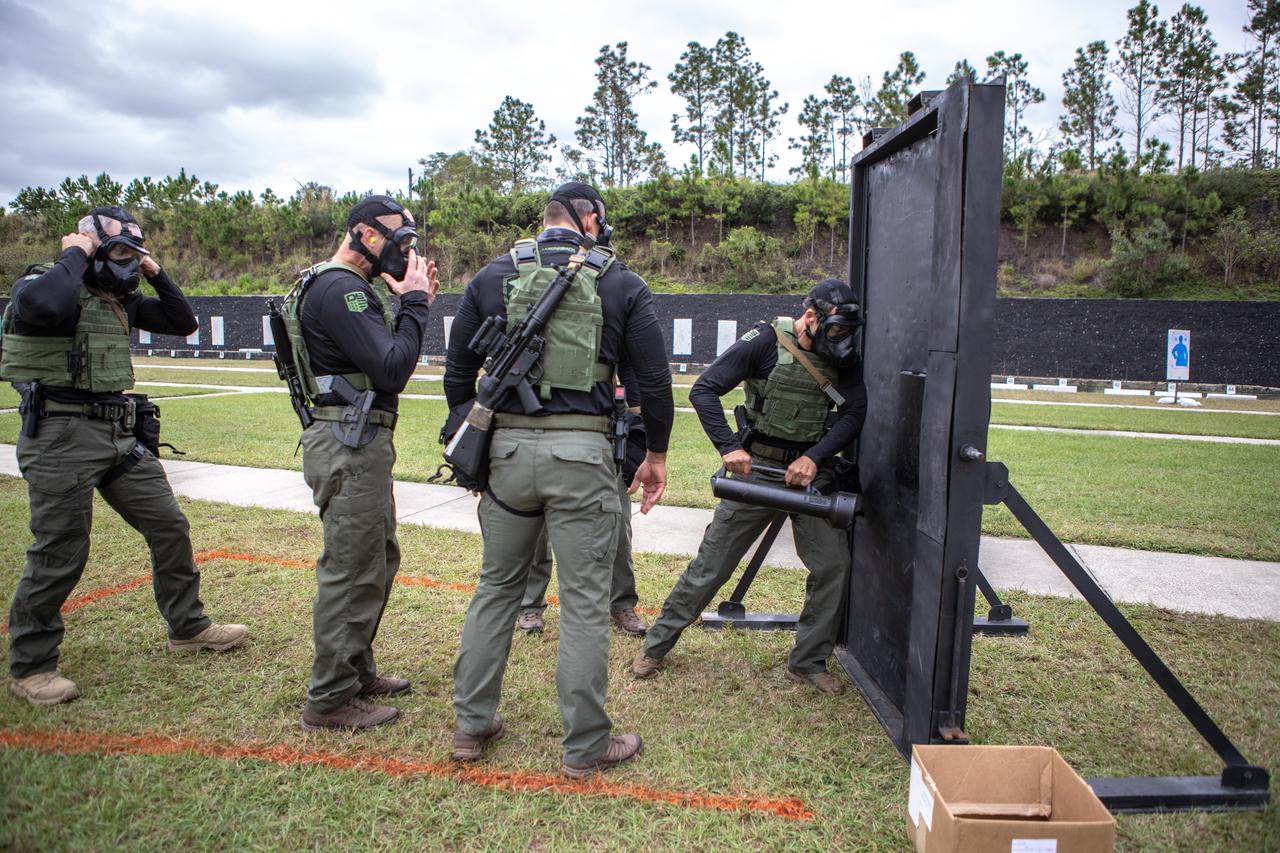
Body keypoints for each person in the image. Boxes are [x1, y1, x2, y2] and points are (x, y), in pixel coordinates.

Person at [445, 181, 672, 777]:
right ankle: (585, 747)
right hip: (583, 456)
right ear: (590, 220)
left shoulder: (493, 275)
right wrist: (655, 455)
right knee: (585, 603)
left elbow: (456, 371)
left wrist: (473, 447)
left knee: (495, 588)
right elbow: (653, 384)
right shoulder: (621, 282)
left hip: (507, 454)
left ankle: (471, 725)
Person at [1, 206, 249, 707]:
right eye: (118, 251)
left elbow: (183, 322)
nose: (128, 264)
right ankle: (31, 666)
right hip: (59, 436)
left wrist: (157, 272)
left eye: (133, 254)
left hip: (116, 434)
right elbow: (45, 308)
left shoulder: (119, 300)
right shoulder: (46, 285)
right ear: (88, 246)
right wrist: (75, 254)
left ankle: (188, 627)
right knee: (61, 551)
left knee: (168, 524)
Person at [631, 279, 866, 695]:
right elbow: (704, 390)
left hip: (811, 475)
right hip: (755, 472)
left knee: (834, 566)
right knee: (712, 565)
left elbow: (854, 412)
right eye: (835, 330)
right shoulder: (764, 340)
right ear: (810, 317)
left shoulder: (843, 358)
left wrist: (816, 455)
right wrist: (729, 447)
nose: (841, 341)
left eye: (847, 332)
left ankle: (808, 661)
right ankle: (657, 645)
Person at [283, 195, 438, 731]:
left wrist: (406, 303)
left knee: (376, 557)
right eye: (400, 243)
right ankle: (329, 698)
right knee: (351, 569)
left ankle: (354, 669)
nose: (407, 254)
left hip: (352, 439)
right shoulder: (342, 289)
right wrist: (416, 304)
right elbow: (392, 368)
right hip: (349, 443)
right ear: (366, 236)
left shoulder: (331, 284)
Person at [516, 375, 646, 637]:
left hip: (603, 442)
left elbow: (638, 389)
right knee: (537, 532)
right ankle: (530, 605)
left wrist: (636, 451)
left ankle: (621, 603)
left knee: (618, 531)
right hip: (542, 435)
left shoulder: (611, 334)